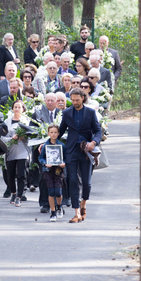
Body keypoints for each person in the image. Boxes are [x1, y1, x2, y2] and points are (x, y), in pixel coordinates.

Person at [58, 87, 102, 223]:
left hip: (86, 151)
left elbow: (98, 130)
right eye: (73, 100)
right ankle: (76, 212)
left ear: (82, 98)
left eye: (77, 100)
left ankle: (84, 202)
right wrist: (48, 143)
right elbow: (60, 131)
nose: (75, 102)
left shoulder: (90, 113)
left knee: (87, 183)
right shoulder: (66, 113)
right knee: (72, 180)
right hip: (71, 150)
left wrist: (93, 142)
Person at [32, 92, 61, 213]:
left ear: (56, 102)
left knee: (58, 177)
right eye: (47, 100)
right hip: (42, 150)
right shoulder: (37, 113)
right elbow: (32, 130)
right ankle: (44, 203)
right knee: (44, 177)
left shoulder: (62, 114)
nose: (49, 102)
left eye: (52, 100)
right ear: (44, 101)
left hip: (58, 150)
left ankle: (58, 203)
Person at [1, 100, 31, 206]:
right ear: (12, 109)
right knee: (11, 174)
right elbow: (2, 137)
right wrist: (11, 138)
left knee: (21, 174)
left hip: (23, 151)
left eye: (19, 107)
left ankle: (19, 195)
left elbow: (31, 135)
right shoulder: (7, 121)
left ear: (23, 109)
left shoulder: (27, 121)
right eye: (15, 107)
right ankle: (13, 193)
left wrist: (24, 137)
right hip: (10, 151)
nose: (17, 109)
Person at [38, 125, 66, 221]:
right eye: (51, 132)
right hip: (48, 171)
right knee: (51, 191)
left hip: (58, 170)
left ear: (58, 134)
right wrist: (45, 163)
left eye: (55, 132)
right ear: (48, 133)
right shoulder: (45, 145)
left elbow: (65, 157)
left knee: (58, 192)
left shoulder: (62, 145)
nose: (53, 134)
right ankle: (53, 212)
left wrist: (64, 163)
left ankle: (59, 206)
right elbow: (41, 157)